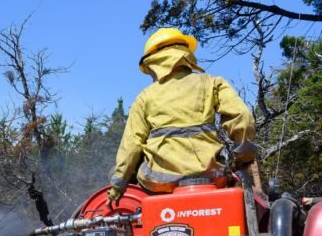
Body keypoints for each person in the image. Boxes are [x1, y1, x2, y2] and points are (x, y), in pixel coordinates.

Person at [108, 28, 257, 206]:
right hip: (212, 177)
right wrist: (243, 160)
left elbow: (131, 146)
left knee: (124, 169)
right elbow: (242, 117)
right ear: (186, 56)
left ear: (153, 64)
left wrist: (117, 189)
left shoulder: (145, 97)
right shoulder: (212, 83)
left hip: (159, 182)